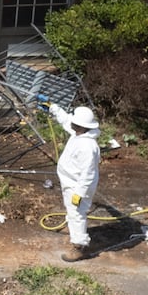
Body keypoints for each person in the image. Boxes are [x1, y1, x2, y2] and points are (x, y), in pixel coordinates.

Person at [56, 106, 102, 261]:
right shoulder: (79, 134)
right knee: (72, 211)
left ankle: (79, 247)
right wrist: (54, 109)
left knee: (77, 214)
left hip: (78, 186)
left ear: (82, 125)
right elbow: (66, 121)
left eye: (75, 122)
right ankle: (72, 230)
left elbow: (89, 174)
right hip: (70, 181)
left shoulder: (87, 147)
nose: (71, 123)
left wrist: (79, 193)